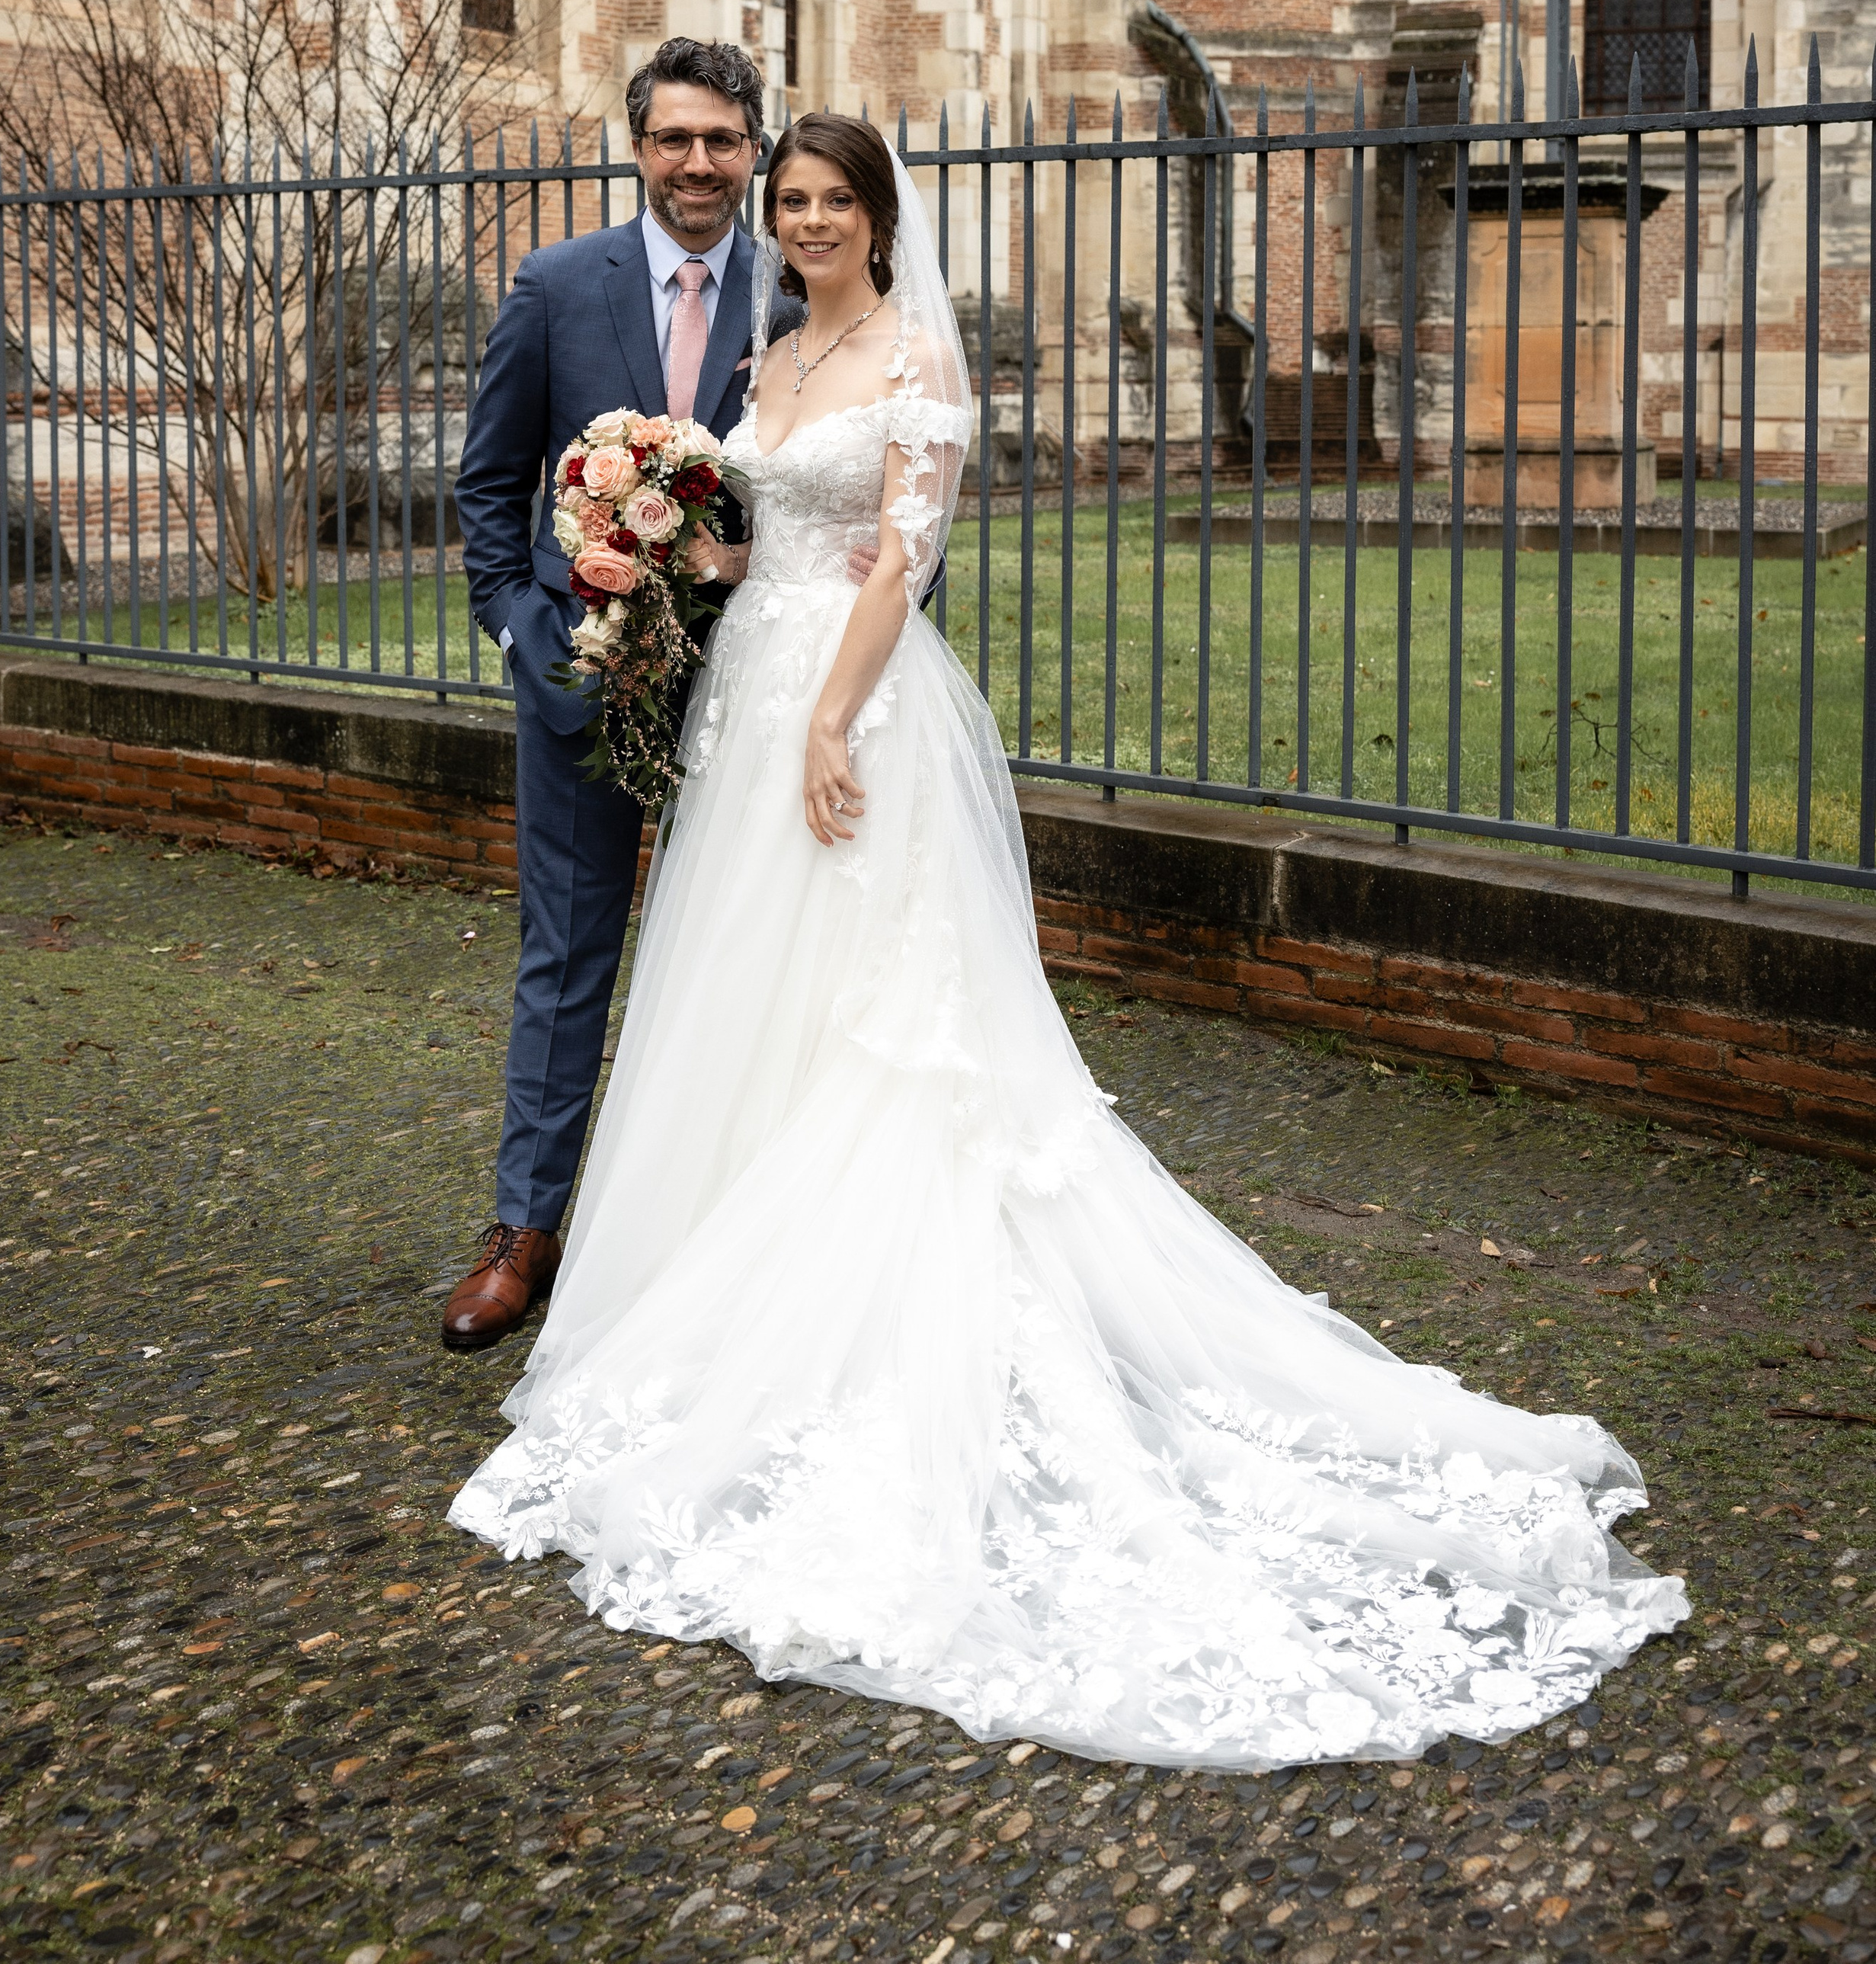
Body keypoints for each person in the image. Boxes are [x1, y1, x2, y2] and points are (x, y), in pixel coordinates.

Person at [450, 113, 1689, 1769]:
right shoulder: (773, 348)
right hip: (746, 703)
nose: (807, 220)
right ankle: (743, 1299)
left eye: (832, 200)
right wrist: (661, 541)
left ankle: (875, 1328)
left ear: (880, 219)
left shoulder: (912, 350)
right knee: (759, 1008)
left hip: (846, 716)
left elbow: (903, 555)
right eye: (791, 200)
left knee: (880, 1024)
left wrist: (830, 718)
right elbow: (765, 539)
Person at [443, 37, 796, 1355]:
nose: (697, 164)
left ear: (754, 146)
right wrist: (520, 629)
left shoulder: (805, 291)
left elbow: (878, 514)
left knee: (746, 960)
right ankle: (524, 1232)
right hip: (581, 683)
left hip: (752, 686)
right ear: (637, 146)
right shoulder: (552, 287)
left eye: (721, 140)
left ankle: (713, 1235)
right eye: (673, 139)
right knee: (567, 955)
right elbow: (489, 484)